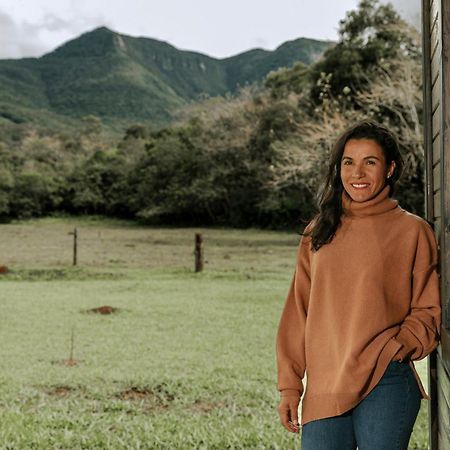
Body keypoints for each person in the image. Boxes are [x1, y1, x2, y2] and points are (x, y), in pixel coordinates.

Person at [276, 121, 441, 450]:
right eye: (348, 162)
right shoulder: (318, 232)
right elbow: (298, 313)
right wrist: (290, 386)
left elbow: (428, 309)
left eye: (370, 162)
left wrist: (397, 347)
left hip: (386, 380)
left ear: (390, 168)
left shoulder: (413, 231)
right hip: (326, 385)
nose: (358, 173)